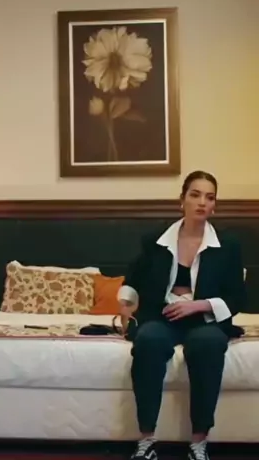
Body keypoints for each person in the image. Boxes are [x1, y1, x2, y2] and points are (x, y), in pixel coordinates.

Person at [118, 170, 247, 460]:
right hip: (162, 316)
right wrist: (126, 304)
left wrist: (199, 305)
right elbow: (133, 279)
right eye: (195, 195)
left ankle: (198, 442)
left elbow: (238, 297)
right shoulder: (155, 240)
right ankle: (146, 440)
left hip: (205, 320)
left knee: (208, 344)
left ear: (214, 205)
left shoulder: (228, 245)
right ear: (182, 200)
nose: (202, 202)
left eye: (210, 197)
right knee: (148, 340)